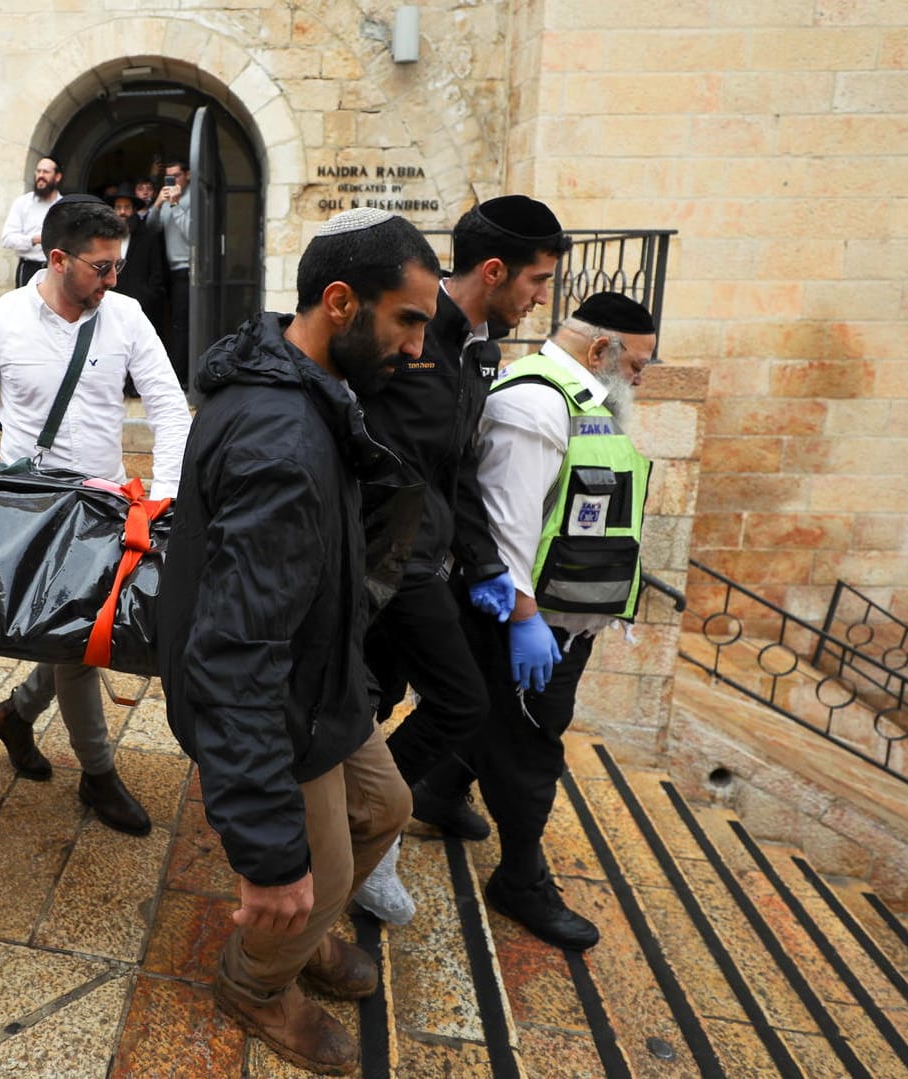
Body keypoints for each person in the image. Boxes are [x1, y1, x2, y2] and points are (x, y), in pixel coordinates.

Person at [156, 208, 438, 1075]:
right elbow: (237, 652)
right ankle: (254, 980)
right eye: (408, 321)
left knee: (384, 809)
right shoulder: (280, 437)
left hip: (323, 678)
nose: (418, 349)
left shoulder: (306, 383)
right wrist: (268, 857)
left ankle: (302, 935)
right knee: (306, 869)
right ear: (343, 303)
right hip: (279, 701)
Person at [355, 195, 570, 924]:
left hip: (425, 557)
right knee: (457, 701)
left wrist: (483, 566)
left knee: (384, 698)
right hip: (388, 561)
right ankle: (366, 837)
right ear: (495, 269)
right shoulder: (418, 339)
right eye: (536, 282)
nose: (540, 300)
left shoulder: (476, 347)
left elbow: (459, 474)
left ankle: (360, 828)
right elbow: (403, 467)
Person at [0, 195, 190, 837]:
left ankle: (15, 716)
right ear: (57, 260)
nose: (114, 280)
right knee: (80, 644)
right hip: (28, 506)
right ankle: (99, 774)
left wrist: (165, 492)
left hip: (105, 505)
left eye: (119, 266)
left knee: (76, 636)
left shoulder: (128, 316)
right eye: (102, 267)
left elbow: (168, 405)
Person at [421, 292, 657, 951]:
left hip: (562, 621)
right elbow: (506, 526)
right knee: (530, 751)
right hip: (527, 622)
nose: (641, 376)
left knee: (495, 719)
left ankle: (437, 791)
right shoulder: (536, 403)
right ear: (600, 350)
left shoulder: (586, 401)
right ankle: (520, 879)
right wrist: (526, 620)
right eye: (637, 363)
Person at [148, 159, 194, 385]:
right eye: (168, 177)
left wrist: (176, 206)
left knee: (182, 326)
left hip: (190, 271)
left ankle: (182, 378)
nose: (172, 181)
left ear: (188, 175)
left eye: (176, 176)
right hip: (168, 272)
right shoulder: (166, 201)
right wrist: (158, 204)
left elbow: (193, 236)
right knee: (172, 324)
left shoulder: (194, 198)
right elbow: (150, 228)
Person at [106, 191, 166, 344]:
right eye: (118, 207)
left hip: (141, 308)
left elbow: (157, 275)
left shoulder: (148, 238)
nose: (122, 212)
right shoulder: (105, 239)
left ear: (133, 211)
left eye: (127, 207)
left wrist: (147, 297)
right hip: (110, 308)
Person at [1, 155, 63, 288]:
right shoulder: (22, 203)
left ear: (57, 177)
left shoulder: (64, 206)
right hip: (29, 268)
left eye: (46, 172)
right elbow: (7, 239)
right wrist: (35, 239)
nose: (41, 175)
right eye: (38, 171)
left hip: (57, 270)